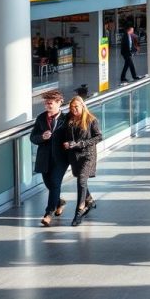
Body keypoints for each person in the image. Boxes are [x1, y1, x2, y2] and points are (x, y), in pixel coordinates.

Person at [59, 95, 102, 227]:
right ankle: (89, 199)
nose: (73, 110)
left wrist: (80, 143)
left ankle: (79, 210)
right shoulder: (68, 119)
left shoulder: (91, 120)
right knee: (80, 179)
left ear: (83, 106)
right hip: (74, 156)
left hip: (87, 155)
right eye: (71, 107)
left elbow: (98, 137)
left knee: (82, 179)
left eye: (76, 107)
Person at [31, 90, 69, 227]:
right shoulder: (41, 118)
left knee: (54, 183)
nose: (47, 105)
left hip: (61, 158)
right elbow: (33, 137)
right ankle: (59, 202)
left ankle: (48, 213)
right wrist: (42, 137)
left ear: (59, 103)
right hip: (44, 158)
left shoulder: (66, 119)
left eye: (50, 103)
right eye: (46, 103)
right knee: (49, 184)